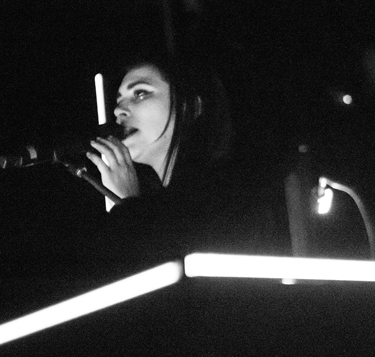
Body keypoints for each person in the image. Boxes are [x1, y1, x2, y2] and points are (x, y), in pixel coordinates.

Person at [82, 52, 280, 269]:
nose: (118, 110)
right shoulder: (159, 207)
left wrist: (129, 205)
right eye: (119, 100)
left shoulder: (230, 195)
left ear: (189, 107)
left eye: (140, 93)